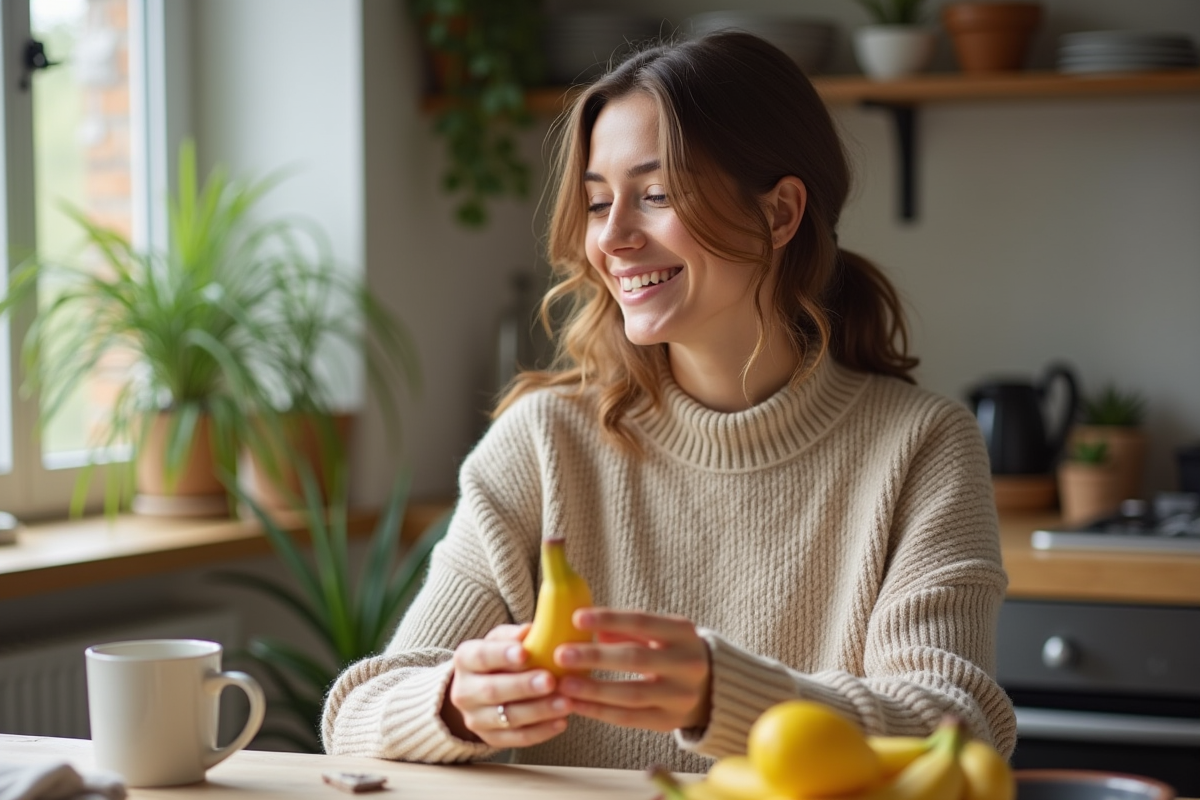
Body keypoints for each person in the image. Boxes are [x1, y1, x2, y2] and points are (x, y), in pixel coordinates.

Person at [322, 30, 1017, 773]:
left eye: (654, 195)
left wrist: (728, 694)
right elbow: (357, 715)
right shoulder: (542, 444)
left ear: (780, 214)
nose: (613, 238)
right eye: (597, 202)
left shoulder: (921, 447)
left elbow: (958, 728)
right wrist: (455, 704)